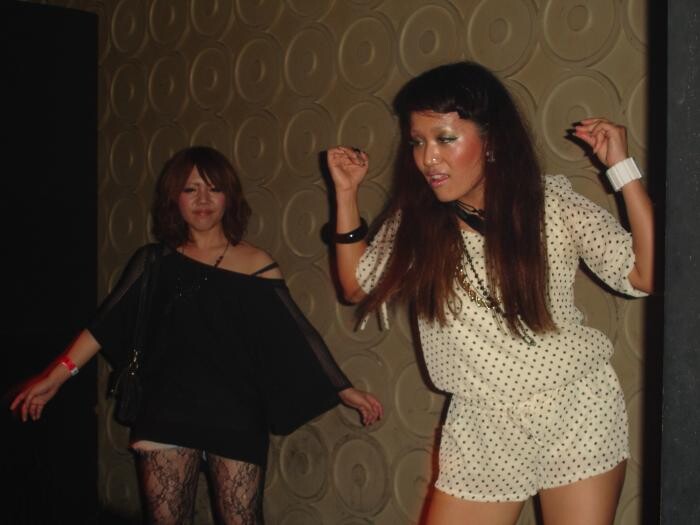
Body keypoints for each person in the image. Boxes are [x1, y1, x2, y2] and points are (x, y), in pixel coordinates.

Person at [326, 61, 653, 525]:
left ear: (492, 140)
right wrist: (345, 195)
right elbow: (356, 284)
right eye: (417, 142)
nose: (428, 158)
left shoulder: (550, 202)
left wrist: (621, 169)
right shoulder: (417, 223)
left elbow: (644, 274)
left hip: (576, 406)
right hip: (483, 424)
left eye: (444, 139)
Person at [11, 146, 383, 525]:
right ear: (174, 198)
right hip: (166, 410)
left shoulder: (256, 263)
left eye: (214, 189)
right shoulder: (153, 261)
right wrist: (54, 377)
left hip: (237, 414)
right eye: (191, 189)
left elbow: (296, 333)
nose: (203, 200)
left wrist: (342, 388)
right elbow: (103, 325)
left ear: (229, 197)